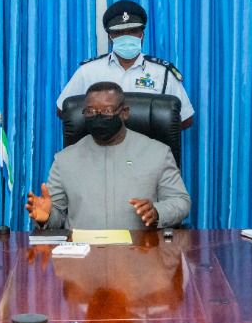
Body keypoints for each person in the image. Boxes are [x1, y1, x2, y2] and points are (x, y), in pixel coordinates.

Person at [28, 82, 191, 229]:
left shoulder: (157, 153)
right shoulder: (65, 160)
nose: (98, 117)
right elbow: (56, 216)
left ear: (124, 112)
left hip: (140, 248)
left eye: (107, 111)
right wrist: (47, 216)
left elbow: (180, 201)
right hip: (83, 250)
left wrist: (157, 212)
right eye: (90, 111)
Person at [56, 0, 195, 129]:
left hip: (147, 146)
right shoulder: (88, 71)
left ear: (142, 34)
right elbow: (63, 110)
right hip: (102, 144)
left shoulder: (163, 73)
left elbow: (185, 119)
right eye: (119, 33)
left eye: (133, 31)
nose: (127, 37)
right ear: (110, 36)